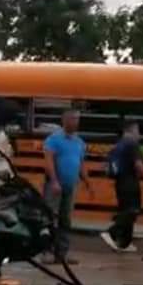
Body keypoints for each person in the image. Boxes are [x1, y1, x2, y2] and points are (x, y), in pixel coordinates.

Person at [42, 109, 92, 265]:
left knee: (66, 220)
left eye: (77, 119)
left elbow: (81, 164)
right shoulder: (53, 140)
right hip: (55, 185)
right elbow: (49, 162)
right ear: (64, 120)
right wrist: (54, 181)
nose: (75, 122)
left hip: (71, 185)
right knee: (51, 218)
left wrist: (88, 182)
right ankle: (47, 252)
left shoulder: (79, 142)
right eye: (72, 119)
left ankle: (61, 254)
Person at [101, 120, 143, 253]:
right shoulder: (132, 144)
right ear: (131, 130)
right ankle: (111, 232)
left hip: (119, 182)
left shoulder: (117, 146)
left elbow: (106, 166)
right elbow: (138, 164)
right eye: (138, 131)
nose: (139, 134)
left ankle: (124, 242)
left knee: (126, 210)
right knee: (132, 210)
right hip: (130, 181)